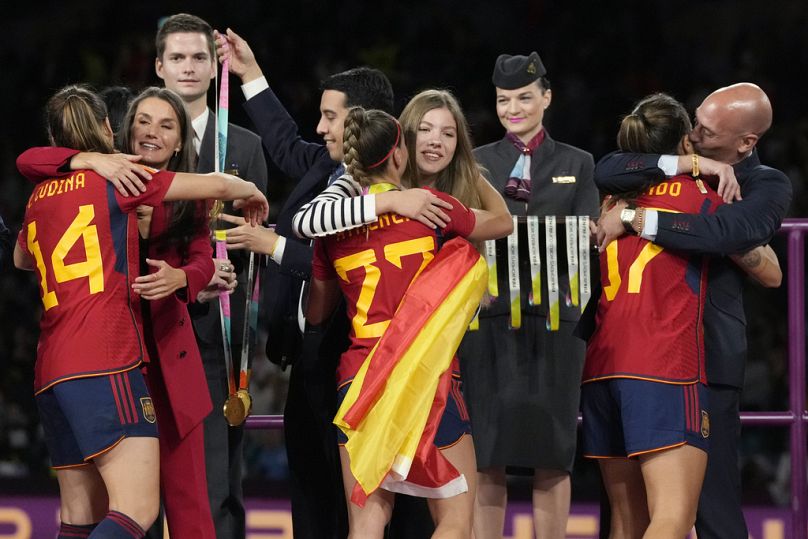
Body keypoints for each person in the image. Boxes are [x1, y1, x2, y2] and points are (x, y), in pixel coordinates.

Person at [216, 27, 457, 539]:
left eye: (330, 116)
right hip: (310, 361)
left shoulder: (405, 194)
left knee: (379, 508)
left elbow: (330, 254)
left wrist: (273, 246)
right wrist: (250, 73)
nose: (320, 126)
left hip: (362, 360)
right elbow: (285, 145)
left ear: (362, 120)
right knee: (315, 501)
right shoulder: (327, 170)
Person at [13, 84, 267, 539]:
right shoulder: (123, 179)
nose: (153, 132)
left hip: (57, 366)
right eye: (144, 122)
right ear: (113, 129)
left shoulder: (38, 197)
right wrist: (251, 191)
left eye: (167, 125)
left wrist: (184, 277)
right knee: (136, 511)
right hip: (109, 360)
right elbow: (220, 184)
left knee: (81, 514)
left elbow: (21, 258)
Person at [593, 83, 792, 539]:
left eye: (707, 130)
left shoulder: (766, 184)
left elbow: (727, 234)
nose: (694, 133)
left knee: (710, 508)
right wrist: (690, 165)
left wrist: (634, 218)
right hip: (652, 354)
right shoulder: (674, 168)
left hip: (706, 357)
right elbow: (607, 167)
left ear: (746, 142)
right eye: (695, 121)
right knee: (640, 515)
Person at [304, 106, 511, 538]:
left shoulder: (331, 231)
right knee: (456, 520)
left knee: (367, 523)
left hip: (359, 382)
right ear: (400, 154)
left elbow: (316, 313)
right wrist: (470, 170)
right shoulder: (432, 209)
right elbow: (502, 221)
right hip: (426, 380)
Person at [442, 52, 595, 539]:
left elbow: (589, 235)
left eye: (525, 98)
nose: (513, 109)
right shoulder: (475, 162)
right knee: (489, 452)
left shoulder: (578, 162)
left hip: (556, 323)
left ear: (547, 98)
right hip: (487, 319)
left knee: (554, 453)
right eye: (504, 100)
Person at [154, 14, 268, 539]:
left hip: (218, 335)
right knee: (144, 483)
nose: (188, 67)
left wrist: (231, 266)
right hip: (151, 326)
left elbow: (256, 235)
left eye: (199, 57)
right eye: (177, 57)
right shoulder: (135, 142)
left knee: (218, 479)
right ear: (159, 66)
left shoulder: (244, 146)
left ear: (215, 66)